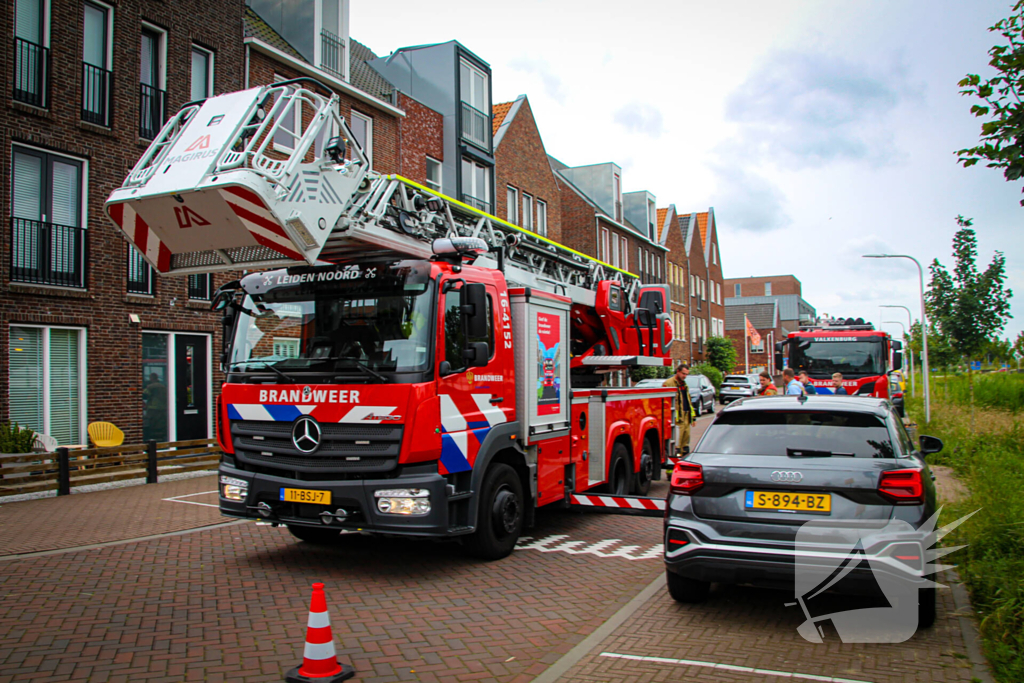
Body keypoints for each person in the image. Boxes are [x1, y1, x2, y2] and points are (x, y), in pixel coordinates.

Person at [664, 363, 695, 455]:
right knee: (676, 446)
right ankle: (674, 465)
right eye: (683, 373)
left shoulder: (684, 385)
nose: (684, 376)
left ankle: (684, 463)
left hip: (686, 417)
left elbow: (688, 401)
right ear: (678, 371)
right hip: (676, 420)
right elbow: (666, 402)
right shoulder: (669, 383)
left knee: (685, 445)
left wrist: (693, 417)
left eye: (686, 374)